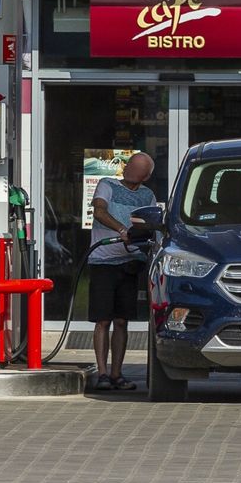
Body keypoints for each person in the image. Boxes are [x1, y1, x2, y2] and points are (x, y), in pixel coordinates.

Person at [88, 151, 156, 390]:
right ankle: (102, 373)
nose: (129, 170)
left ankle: (117, 373)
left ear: (145, 176)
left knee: (121, 320)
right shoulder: (107, 185)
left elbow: (150, 225)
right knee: (102, 320)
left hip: (129, 264)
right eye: (130, 165)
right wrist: (122, 230)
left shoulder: (147, 195)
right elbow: (99, 211)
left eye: (137, 168)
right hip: (103, 262)